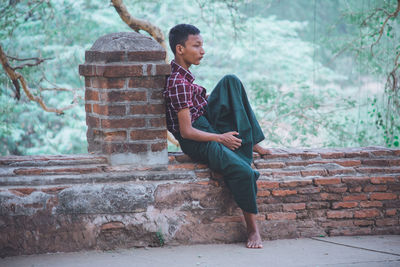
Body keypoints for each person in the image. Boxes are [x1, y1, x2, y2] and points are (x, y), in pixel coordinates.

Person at [164, 24, 271, 249]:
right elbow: (187, 132)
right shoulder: (178, 83)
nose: (202, 50)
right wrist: (221, 138)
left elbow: (202, 107)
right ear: (180, 49)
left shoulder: (186, 78)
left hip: (207, 120)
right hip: (196, 140)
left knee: (230, 81)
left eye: (202, 45)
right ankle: (253, 231)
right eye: (197, 46)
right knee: (244, 171)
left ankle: (253, 143)